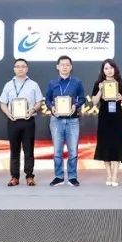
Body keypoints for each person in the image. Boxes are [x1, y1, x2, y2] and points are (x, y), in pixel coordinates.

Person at [0, 58, 44, 187]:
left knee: (29, 150)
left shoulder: (33, 84)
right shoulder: (8, 85)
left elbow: (39, 101)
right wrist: (8, 114)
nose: (20, 69)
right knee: (14, 150)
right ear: (14, 69)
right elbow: (2, 103)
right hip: (13, 121)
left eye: (23, 66)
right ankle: (14, 177)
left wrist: (33, 110)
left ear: (27, 69)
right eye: (17, 66)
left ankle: (29, 176)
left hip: (28, 120)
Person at [44, 55, 86, 186]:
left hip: (72, 120)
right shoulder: (52, 83)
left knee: (73, 151)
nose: (65, 67)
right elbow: (47, 99)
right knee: (57, 151)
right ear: (57, 67)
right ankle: (59, 176)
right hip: (56, 120)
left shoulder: (77, 82)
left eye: (67, 65)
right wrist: (51, 107)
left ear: (71, 67)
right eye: (62, 65)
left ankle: (72, 176)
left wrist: (75, 106)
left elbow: (82, 98)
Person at [91, 59, 122, 186]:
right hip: (104, 118)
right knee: (105, 145)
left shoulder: (121, 82)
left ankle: (115, 175)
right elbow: (94, 102)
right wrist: (100, 90)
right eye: (106, 68)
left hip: (117, 117)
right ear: (103, 70)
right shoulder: (98, 83)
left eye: (111, 68)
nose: (109, 70)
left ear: (115, 69)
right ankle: (108, 174)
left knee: (117, 145)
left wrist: (121, 98)